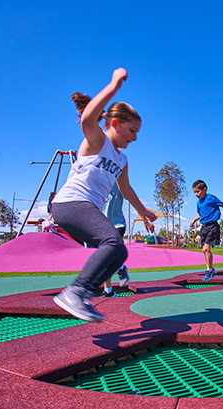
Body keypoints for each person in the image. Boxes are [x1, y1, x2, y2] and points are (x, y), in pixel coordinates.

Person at [51, 68, 157, 322]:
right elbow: (88, 117)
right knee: (112, 241)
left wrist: (143, 212)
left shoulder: (122, 158)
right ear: (115, 124)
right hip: (71, 203)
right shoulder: (98, 140)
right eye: (132, 130)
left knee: (119, 252)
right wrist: (113, 86)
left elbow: (125, 189)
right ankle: (75, 292)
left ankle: (83, 293)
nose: (134, 137)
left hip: (85, 209)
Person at [189, 180, 223, 281]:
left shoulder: (210, 198)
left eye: (198, 191)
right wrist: (193, 220)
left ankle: (209, 270)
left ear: (205, 189)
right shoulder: (198, 203)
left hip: (213, 226)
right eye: (194, 192)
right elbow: (200, 214)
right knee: (204, 250)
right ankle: (210, 269)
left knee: (206, 249)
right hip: (204, 227)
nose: (196, 194)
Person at [101, 183, 130, 297]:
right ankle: (108, 290)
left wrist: (144, 216)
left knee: (109, 255)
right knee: (105, 259)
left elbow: (129, 195)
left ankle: (121, 268)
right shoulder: (97, 183)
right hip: (102, 226)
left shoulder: (117, 181)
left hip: (118, 225)